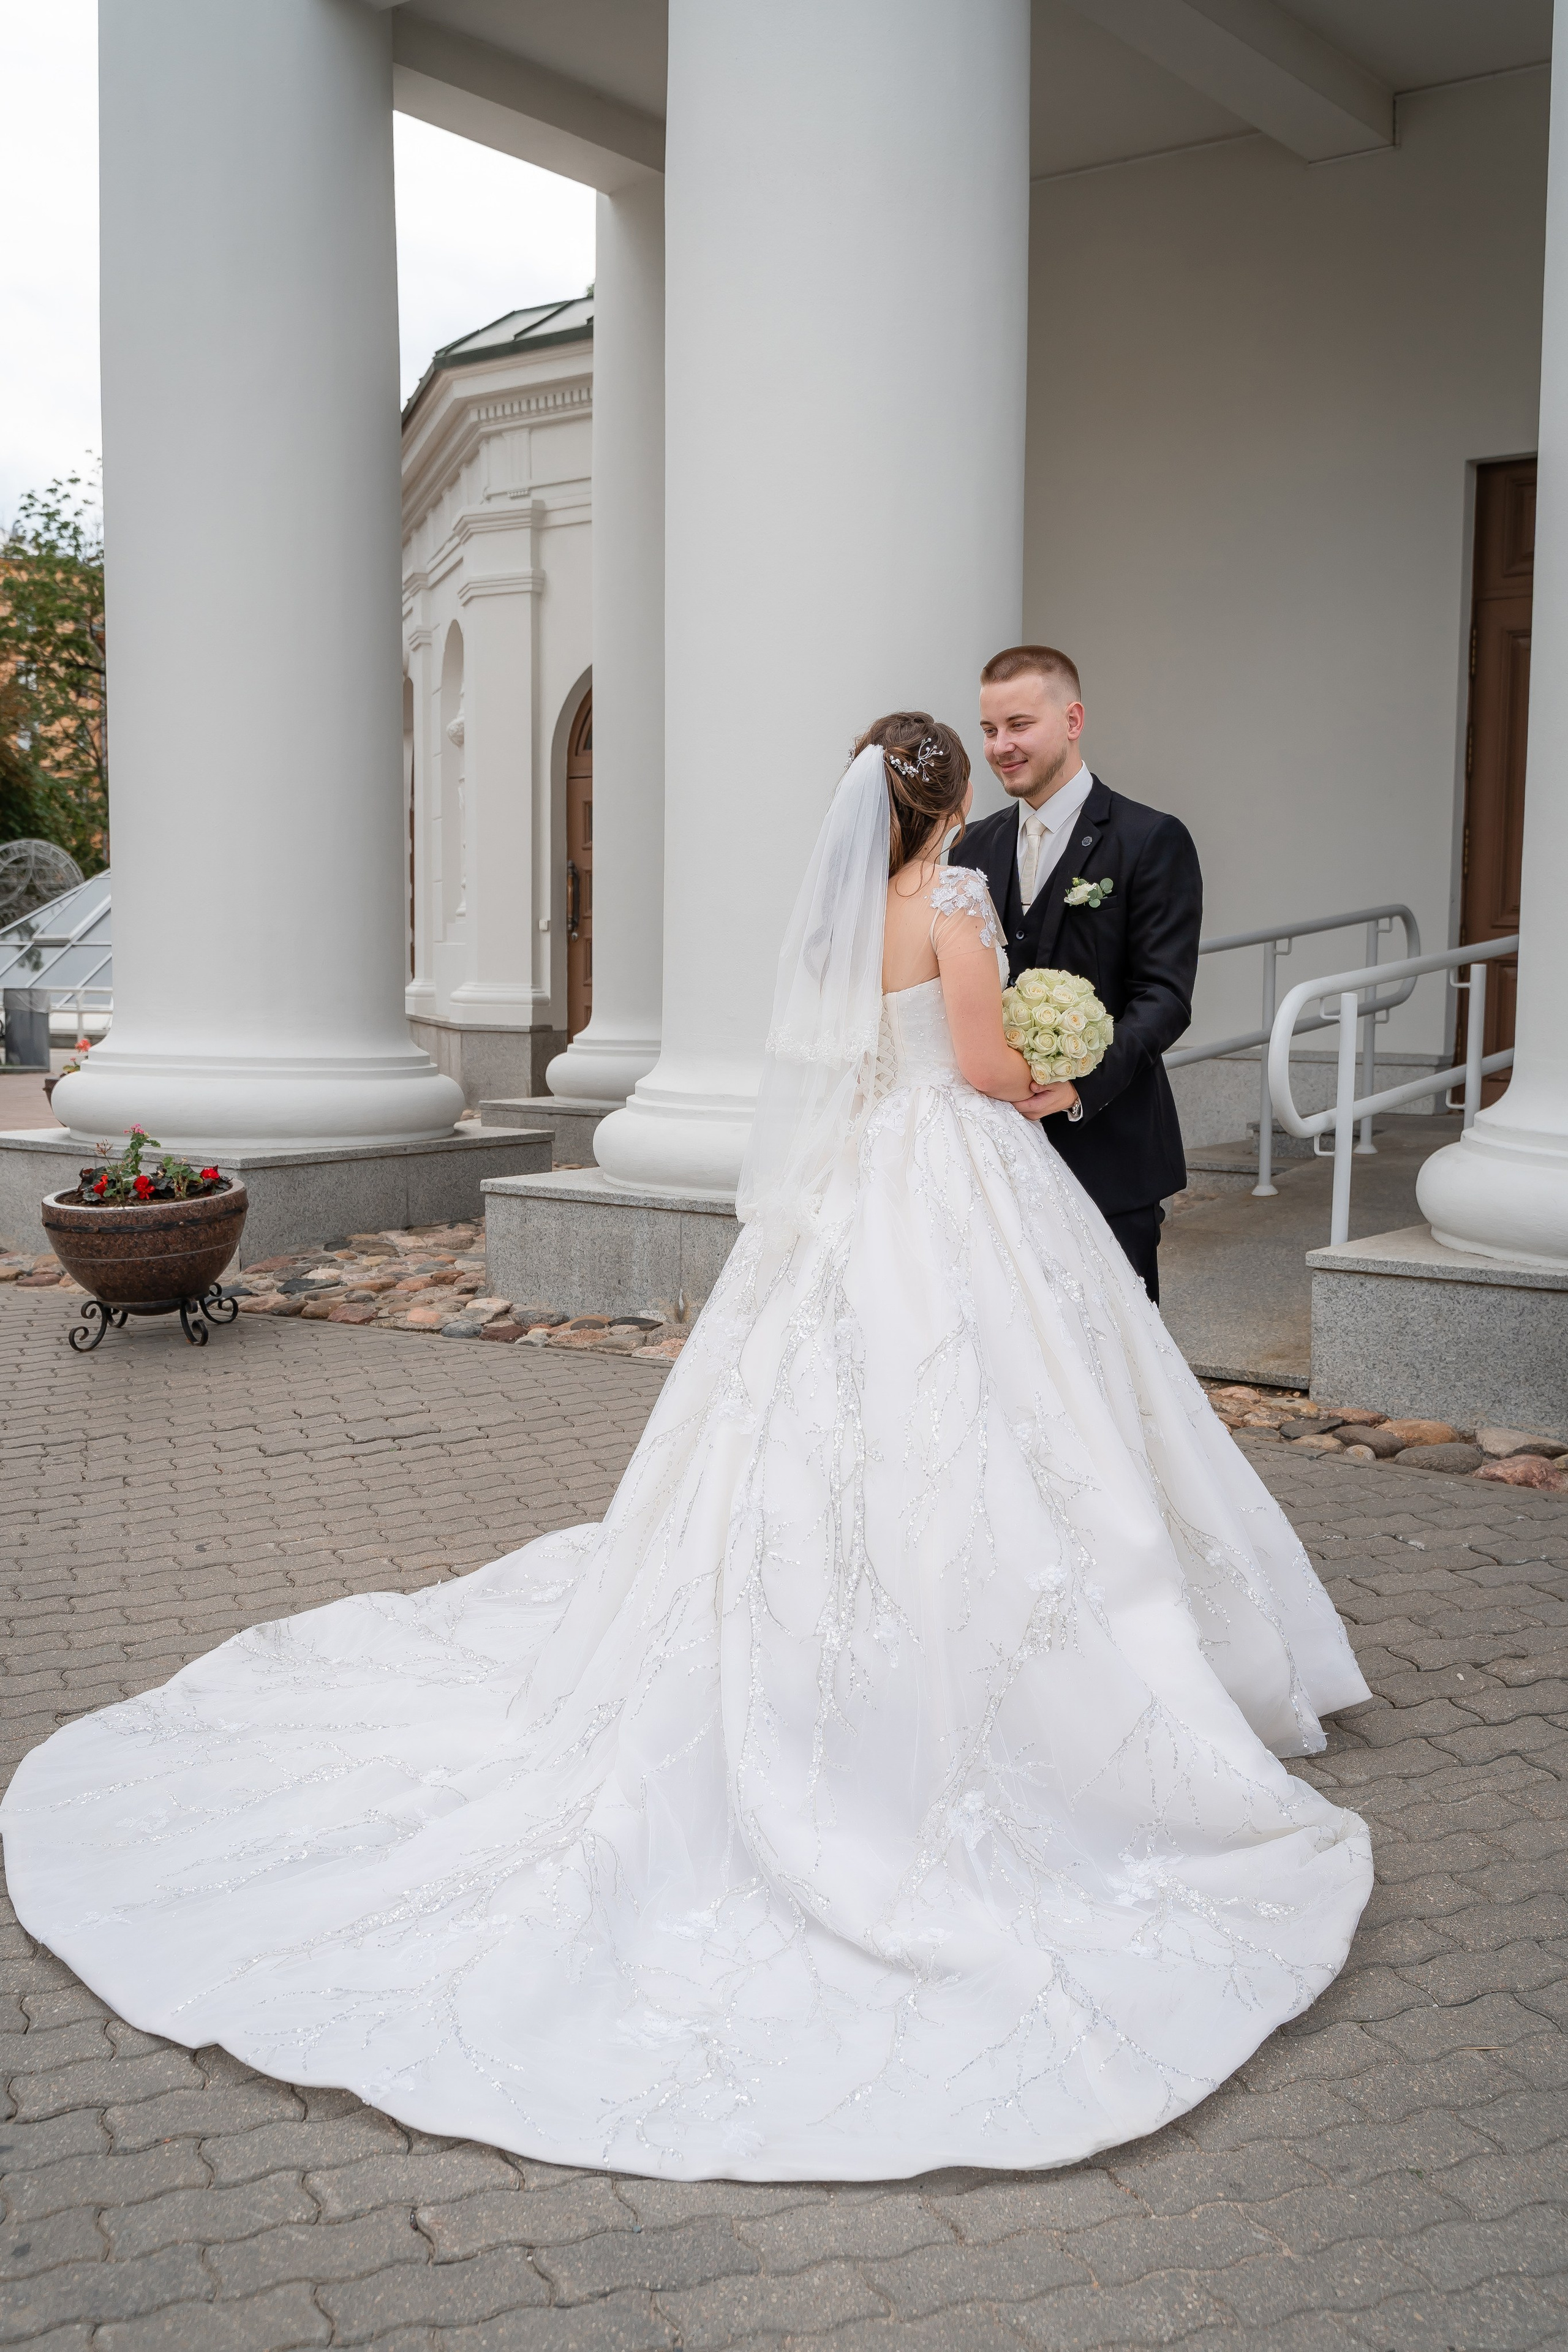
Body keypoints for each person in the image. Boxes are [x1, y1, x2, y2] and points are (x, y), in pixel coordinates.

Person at [0, 716, 1371, 2185]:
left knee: (829, 1424)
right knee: (1021, 1417)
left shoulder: (850, 912)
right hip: (962, 1174)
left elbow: (844, 1056)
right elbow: (974, 1062)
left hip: (863, 1189)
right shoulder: (959, 900)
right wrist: (1049, 1072)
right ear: (948, 801)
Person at [948, 646, 1200, 1302]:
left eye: (1019, 725)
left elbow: (1164, 998)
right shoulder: (969, 847)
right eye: (988, 730)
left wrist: (1078, 1087)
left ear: (1072, 719)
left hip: (1110, 1150)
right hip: (995, 1154)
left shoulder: (1149, 839)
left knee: (1118, 1357)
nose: (1000, 746)